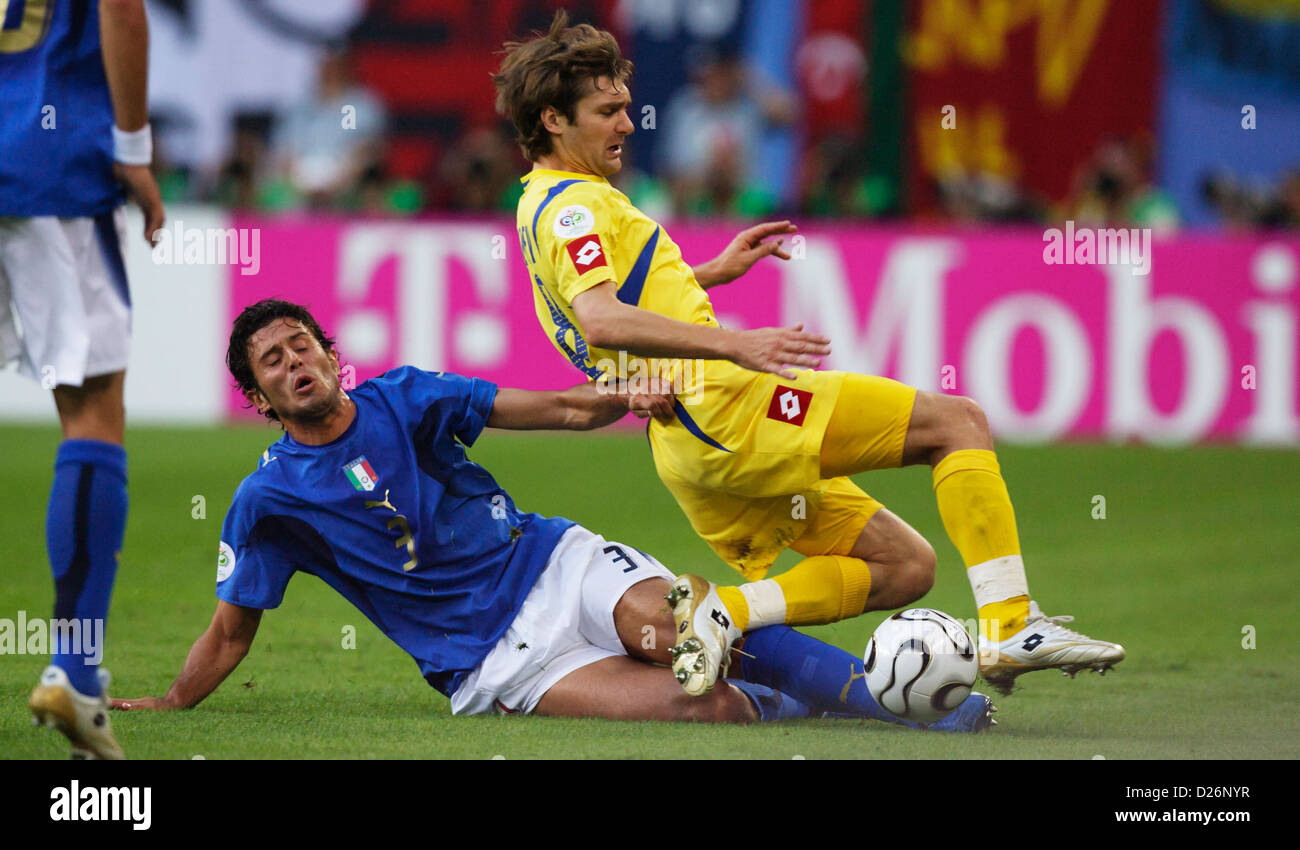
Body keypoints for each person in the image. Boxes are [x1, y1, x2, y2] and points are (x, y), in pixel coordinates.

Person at [493, 12, 1125, 697]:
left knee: (904, 566)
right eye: (608, 110)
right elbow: (599, 316)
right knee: (958, 422)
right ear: (554, 120)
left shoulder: (543, 203)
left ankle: (724, 610)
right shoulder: (575, 209)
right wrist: (735, 342)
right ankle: (1009, 625)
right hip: (731, 410)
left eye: (624, 106)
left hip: (693, 444)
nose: (626, 123)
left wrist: (700, 273)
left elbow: (583, 312)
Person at [109, 299, 995, 732]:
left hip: (555, 565)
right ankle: (811, 698)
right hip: (491, 663)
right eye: (272, 360)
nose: (294, 361)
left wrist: (617, 395)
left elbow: (554, 409)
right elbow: (231, 632)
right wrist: (171, 700)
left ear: (328, 352)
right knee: (708, 708)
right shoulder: (268, 500)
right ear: (259, 396)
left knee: (680, 631)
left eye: (301, 343)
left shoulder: (408, 398)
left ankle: (893, 701)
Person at [1, 0, 165, 759]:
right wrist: (131, 147)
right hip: (47, 162)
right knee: (94, 412)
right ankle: (73, 673)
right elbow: (121, 11)